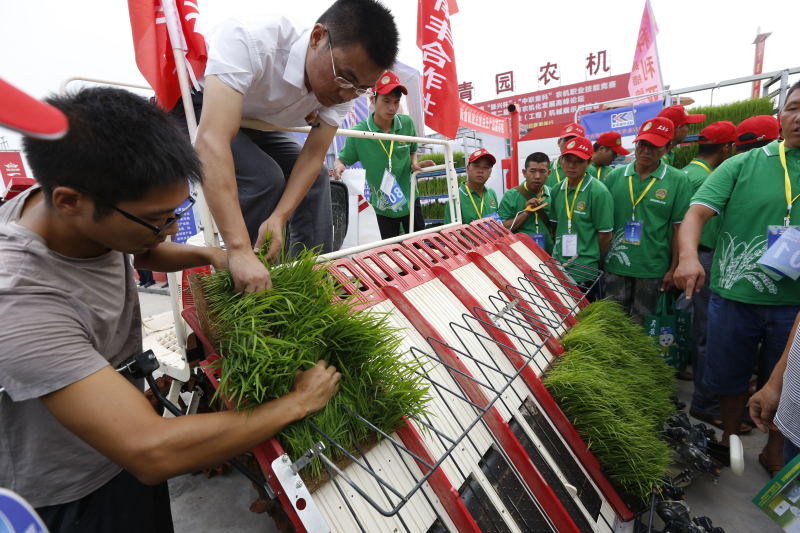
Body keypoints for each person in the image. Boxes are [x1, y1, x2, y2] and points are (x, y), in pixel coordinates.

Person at [0, 87, 342, 532]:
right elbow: (151, 449)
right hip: (73, 488)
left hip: (119, 439)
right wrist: (299, 402)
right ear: (70, 202)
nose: (166, 230)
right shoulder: (20, 299)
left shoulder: (79, 217)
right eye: (157, 219)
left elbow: (141, 252)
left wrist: (215, 256)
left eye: (173, 214)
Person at [186, 0, 398, 293]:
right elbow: (212, 139)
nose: (347, 94)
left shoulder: (350, 86)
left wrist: (279, 217)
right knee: (264, 178)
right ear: (317, 38)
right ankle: (252, 284)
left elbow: (313, 155)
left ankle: (306, 282)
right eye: (345, 78)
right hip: (202, 108)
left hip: (260, 122)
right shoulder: (250, 38)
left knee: (319, 179)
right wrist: (238, 248)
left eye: (361, 88)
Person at [674, 81, 800, 476]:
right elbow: (695, 213)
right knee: (728, 373)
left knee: (788, 382)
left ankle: (774, 448)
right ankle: (730, 437)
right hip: (734, 294)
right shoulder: (742, 164)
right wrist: (689, 257)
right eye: (794, 107)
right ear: (781, 116)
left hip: (793, 306)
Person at [603, 117, 692, 323]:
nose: (645, 151)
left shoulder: (677, 180)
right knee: (612, 325)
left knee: (644, 328)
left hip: (653, 269)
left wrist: (673, 268)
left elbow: (679, 228)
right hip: (616, 265)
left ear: (668, 147)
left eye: (654, 146)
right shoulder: (615, 177)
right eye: (642, 144)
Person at [681, 121, 738, 429]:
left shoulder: (690, 174)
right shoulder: (712, 178)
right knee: (706, 330)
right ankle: (706, 401)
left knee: (699, 328)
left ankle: (707, 395)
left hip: (695, 258)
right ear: (727, 148)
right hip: (703, 258)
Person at [333, 71, 433, 238]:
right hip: (382, 205)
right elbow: (342, 160)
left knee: (419, 248)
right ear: (373, 99)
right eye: (386, 101)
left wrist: (414, 163)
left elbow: (412, 149)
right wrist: (339, 167)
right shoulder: (359, 133)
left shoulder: (406, 123)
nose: (392, 108)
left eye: (396, 102)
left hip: (410, 198)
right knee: (389, 252)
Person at [549, 136, 614, 300]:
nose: (571, 165)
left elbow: (605, 235)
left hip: (585, 270)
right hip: (558, 267)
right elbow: (556, 227)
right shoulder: (557, 189)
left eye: (578, 161)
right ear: (561, 160)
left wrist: (592, 259)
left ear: (589, 162)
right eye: (568, 159)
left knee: (583, 320)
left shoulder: (598, 192)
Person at [499, 152, 554, 254]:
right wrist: (526, 213)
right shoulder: (511, 196)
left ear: (549, 173)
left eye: (542, 171)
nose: (537, 176)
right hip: (521, 257)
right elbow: (501, 229)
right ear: (524, 172)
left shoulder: (554, 194)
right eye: (532, 171)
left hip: (549, 256)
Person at [443, 148, 499, 224]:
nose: (480, 171)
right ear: (468, 168)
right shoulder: (456, 197)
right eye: (476, 166)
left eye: (485, 167)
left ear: (490, 172)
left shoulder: (491, 193)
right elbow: (450, 233)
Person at [545, 122, 586, 189]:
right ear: (558, 142)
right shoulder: (546, 171)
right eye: (567, 141)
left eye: (575, 141)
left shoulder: (590, 169)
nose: (570, 145)